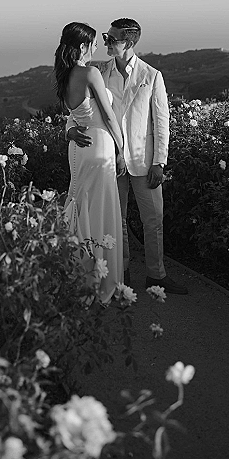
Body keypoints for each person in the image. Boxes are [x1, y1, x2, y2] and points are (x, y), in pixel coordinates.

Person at [66, 18, 187, 295]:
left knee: (153, 219)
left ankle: (156, 275)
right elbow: (80, 109)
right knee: (115, 219)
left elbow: (161, 121)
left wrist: (159, 161)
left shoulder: (151, 75)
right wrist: (70, 130)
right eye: (105, 37)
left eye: (111, 38)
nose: (106, 42)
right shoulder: (97, 71)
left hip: (144, 161)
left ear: (129, 43)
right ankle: (121, 273)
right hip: (110, 158)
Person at [54, 22, 126, 303]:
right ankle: (100, 280)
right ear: (83, 47)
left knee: (82, 205)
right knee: (101, 210)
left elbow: (77, 114)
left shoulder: (66, 75)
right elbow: (108, 116)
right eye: (93, 43)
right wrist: (121, 149)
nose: (96, 47)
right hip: (100, 148)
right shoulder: (90, 73)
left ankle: (80, 272)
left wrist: (70, 131)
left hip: (80, 150)